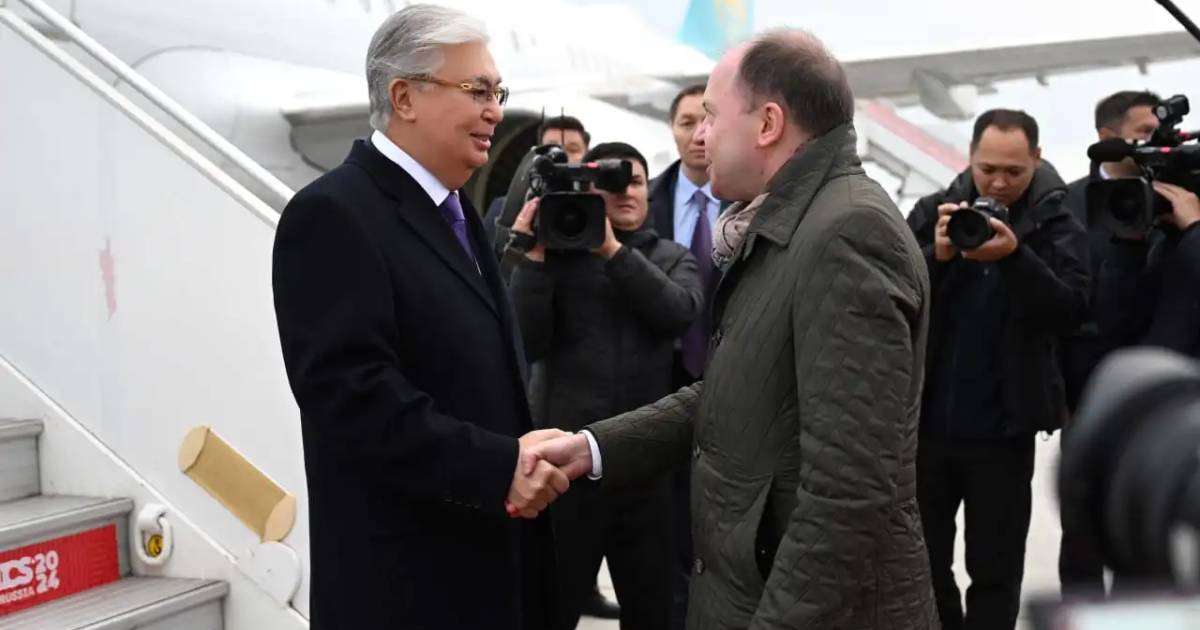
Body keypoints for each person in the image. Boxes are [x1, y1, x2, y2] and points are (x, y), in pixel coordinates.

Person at [524, 29, 939, 629]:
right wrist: (591, 448)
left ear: (768, 124)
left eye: (712, 117)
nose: (700, 137)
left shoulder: (846, 234)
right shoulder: (786, 225)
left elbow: (847, 494)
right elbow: (737, 392)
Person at [271, 6, 566, 628]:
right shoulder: (333, 215)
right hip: (406, 590)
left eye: (498, 92)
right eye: (477, 90)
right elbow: (353, 400)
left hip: (485, 571)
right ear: (404, 96)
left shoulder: (453, 213)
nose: (494, 109)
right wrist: (498, 465)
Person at [507, 141, 703, 630]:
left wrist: (612, 251)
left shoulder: (672, 257)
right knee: (550, 608)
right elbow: (526, 342)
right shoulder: (556, 258)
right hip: (564, 470)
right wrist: (531, 261)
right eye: (612, 185)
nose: (626, 193)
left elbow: (677, 312)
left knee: (654, 611)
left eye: (635, 182)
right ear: (588, 192)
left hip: (646, 470)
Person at [906, 109, 1090, 629]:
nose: (999, 183)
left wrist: (1015, 259)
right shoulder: (932, 212)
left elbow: (1073, 309)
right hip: (925, 430)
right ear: (969, 158)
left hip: (1004, 432)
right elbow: (883, 298)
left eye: (1014, 171)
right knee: (921, 568)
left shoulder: (1056, 222)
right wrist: (935, 256)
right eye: (988, 169)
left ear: (1037, 158)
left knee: (996, 571)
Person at [1060, 91, 1200, 595]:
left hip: (1182, 406)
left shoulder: (1189, 208)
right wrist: (1131, 241)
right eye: (1141, 134)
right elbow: (1105, 314)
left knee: (1153, 552)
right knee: (1085, 541)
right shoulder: (1085, 205)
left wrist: (1194, 229)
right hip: (1103, 396)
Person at [647, 81, 718, 630]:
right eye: (686, 122)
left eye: (707, 120)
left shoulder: (755, 202)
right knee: (662, 531)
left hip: (730, 382)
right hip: (658, 383)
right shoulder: (638, 202)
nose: (698, 135)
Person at [484, 116, 592, 257]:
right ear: (537, 155)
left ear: (587, 156)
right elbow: (488, 264)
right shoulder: (503, 208)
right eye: (552, 151)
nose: (562, 158)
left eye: (573, 149)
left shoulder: (599, 208)